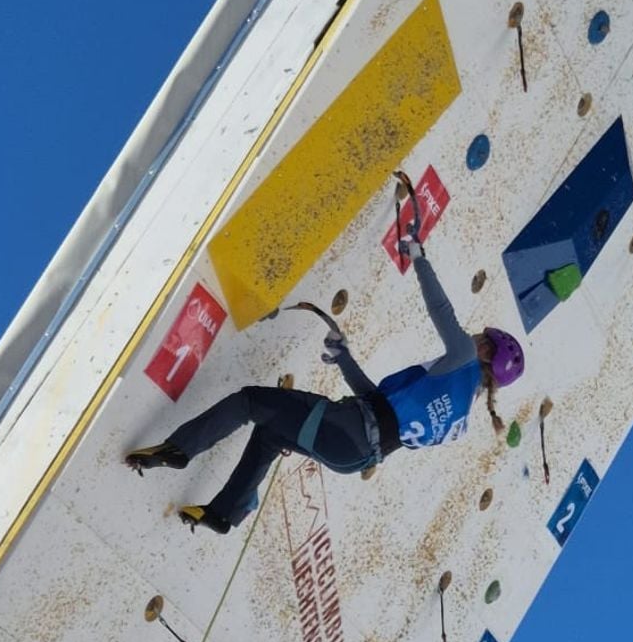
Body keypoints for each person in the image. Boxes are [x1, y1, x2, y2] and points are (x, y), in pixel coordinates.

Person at [125, 180, 524, 534]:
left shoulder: (464, 358)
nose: (475, 337)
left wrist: (418, 254)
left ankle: (180, 450)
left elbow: (441, 311)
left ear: (488, 351)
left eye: (482, 338)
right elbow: (379, 409)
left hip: (344, 427)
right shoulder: (456, 419)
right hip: (351, 453)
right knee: (268, 435)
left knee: (250, 402)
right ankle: (225, 513)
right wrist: (345, 359)